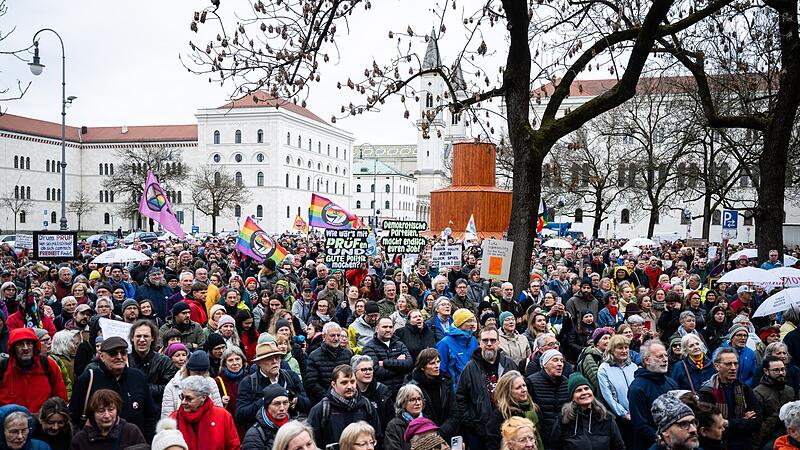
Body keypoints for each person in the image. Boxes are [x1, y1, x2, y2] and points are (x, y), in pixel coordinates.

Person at [69, 336, 157, 440]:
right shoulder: (88, 379)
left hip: (133, 443)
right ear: (101, 356)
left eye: (123, 353)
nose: (119, 357)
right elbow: (73, 417)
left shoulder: (138, 377)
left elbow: (150, 415)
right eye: (113, 353)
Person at [456, 326, 517, 450]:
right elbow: (460, 396)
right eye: (485, 340)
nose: (489, 344)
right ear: (479, 343)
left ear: (498, 343)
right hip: (478, 430)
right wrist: (469, 421)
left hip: (507, 426)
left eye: (493, 340)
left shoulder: (509, 365)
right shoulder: (470, 367)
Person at [235, 341, 309, 430]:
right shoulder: (248, 383)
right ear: (258, 363)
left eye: (277, 357)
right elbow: (240, 416)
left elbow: (308, 404)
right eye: (269, 359)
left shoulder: (291, 376)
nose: (274, 362)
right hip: (263, 434)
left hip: (290, 431)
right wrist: (266, 400)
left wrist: (296, 401)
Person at [698, 347, 762, 450]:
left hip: (743, 444)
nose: (733, 368)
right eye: (728, 364)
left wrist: (728, 423)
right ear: (717, 366)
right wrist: (742, 421)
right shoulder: (708, 392)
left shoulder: (744, 389)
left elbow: (756, 422)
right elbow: (710, 425)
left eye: (735, 364)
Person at [306, 364, 383, 448]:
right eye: (344, 382)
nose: (349, 386)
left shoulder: (366, 405)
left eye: (352, 382)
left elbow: (377, 438)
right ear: (333, 384)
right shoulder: (321, 409)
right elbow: (312, 443)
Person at [550, 373, 625, 450]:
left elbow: (619, 446)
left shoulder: (606, 417)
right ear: (572, 397)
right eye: (579, 390)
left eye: (586, 388)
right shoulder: (564, 420)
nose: (584, 392)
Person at [0, 328, 67, 413]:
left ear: (34, 346)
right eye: (20, 344)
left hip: (42, 422)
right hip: (10, 424)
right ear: (13, 348)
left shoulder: (47, 365)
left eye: (29, 343)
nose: (25, 348)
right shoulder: (3, 368)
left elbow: (60, 397)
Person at [628, 340, 678, 450]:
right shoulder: (637, 388)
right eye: (660, 357)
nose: (665, 359)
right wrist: (664, 440)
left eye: (666, 355)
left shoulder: (671, 383)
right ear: (647, 360)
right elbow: (640, 425)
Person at [170, 376, 239, 450]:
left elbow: (233, 446)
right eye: (182, 397)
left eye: (189, 398)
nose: (183, 402)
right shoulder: (173, 418)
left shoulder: (223, 415)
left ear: (203, 397)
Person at [127, 319, 177, 417]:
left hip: (156, 414)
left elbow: (168, 388)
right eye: (138, 336)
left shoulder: (164, 362)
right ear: (132, 338)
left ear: (153, 338)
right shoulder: (125, 361)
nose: (142, 339)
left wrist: (142, 388)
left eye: (146, 336)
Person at [70, 389, 146, 450]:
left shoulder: (131, 432)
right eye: (101, 411)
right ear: (92, 413)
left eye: (111, 410)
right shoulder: (80, 440)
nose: (107, 415)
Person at [596, 334, 636, 446]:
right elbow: (608, 396)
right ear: (612, 350)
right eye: (620, 348)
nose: (624, 351)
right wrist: (623, 414)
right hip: (619, 420)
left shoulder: (633, 367)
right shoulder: (604, 369)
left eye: (626, 347)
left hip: (636, 415)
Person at [161, 350, 223, 419]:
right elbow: (167, 418)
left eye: (203, 373)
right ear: (188, 370)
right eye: (196, 373)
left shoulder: (211, 383)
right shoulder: (173, 386)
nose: (199, 376)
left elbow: (219, 412)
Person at [527, 349, 569, 450]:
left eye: (561, 361)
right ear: (545, 364)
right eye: (555, 360)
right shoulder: (531, 382)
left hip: (563, 437)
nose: (560, 364)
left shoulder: (567, 382)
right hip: (542, 437)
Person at [492, 371, 543, 450]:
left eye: (524, 385)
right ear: (508, 392)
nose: (524, 390)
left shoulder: (534, 408)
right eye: (518, 388)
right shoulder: (502, 414)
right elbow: (493, 442)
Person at [304, 322, 354, 403]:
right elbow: (311, 383)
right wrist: (330, 397)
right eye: (332, 335)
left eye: (338, 335)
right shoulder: (314, 356)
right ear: (324, 337)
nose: (336, 338)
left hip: (346, 398)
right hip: (324, 400)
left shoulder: (348, 354)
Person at [754, 355, 795, 449]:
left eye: (783, 369)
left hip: (790, 434)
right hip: (768, 437)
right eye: (776, 370)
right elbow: (758, 424)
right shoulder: (758, 393)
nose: (781, 373)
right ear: (766, 371)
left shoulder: (789, 390)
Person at [363, 317, 413, 395]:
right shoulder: (369, 347)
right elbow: (376, 371)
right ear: (377, 329)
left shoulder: (400, 344)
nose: (388, 330)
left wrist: (385, 363)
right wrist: (399, 367)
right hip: (381, 393)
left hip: (401, 391)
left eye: (390, 327)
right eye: (384, 327)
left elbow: (409, 364)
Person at [241, 384, 292, 450]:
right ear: (267, 406)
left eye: (285, 403)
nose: (282, 408)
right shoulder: (255, 435)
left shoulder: (294, 426)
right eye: (276, 404)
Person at [436, 308, 478, 386]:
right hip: (455, 390)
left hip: (474, 387)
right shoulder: (444, 343)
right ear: (459, 323)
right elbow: (442, 370)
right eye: (468, 321)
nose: (472, 324)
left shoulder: (473, 340)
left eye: (473, 321)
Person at [351, 355, 393, 431]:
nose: (368, 372)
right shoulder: (349, 392)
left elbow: (390, 421)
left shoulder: (382, 390)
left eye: (370, 369)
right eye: (363, 369)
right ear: (354, 372)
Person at [214, 346, 249, 438]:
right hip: (230, 428)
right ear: (225, 363)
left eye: (237, 359)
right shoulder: (218, 381)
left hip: (249, 427)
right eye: (230, 360)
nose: (235, 363)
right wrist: (220, 401)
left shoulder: (250, 378)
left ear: (243, 360)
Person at [385, 384, 426, 450]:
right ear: (403, 403)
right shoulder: (394, 426)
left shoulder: (428, 423)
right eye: (412, 400)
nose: (418, 403)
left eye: (419, 399)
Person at [723, 323, 760, 387]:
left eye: (745, 336)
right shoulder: (721, 352)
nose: (743, 338)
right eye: (739, 335)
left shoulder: (750, 353)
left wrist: (745, 385)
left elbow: (753, 374)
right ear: (732, 337)